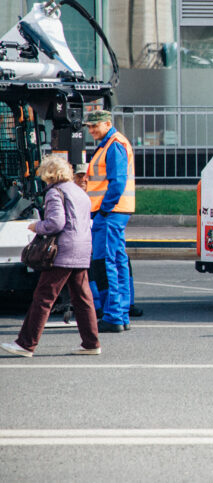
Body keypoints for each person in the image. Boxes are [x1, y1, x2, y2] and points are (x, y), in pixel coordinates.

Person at [1, 155, 99, 357]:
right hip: (81, 249)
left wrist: (36, 225)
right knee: (82, 298)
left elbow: (56, 223)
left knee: (43, 297)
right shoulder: (80, 193)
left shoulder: (55, 192)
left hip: (63, 252)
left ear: (49, 173)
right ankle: (91, 343)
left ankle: (26, 344)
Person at [84, 109, 138, 333]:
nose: (91, 130)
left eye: (95, 126)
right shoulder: (113, 142)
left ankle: (113, 316)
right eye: (89, 127)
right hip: (115, 212)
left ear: (107, 124)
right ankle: (121, 315)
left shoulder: (114, 144)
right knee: (117, 261)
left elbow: (117, 181)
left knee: (104, 263)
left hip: (109, 213)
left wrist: (104, 210)